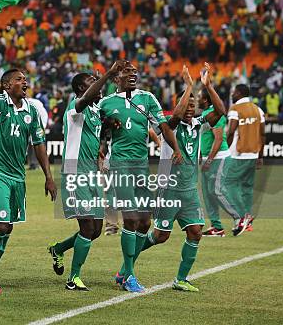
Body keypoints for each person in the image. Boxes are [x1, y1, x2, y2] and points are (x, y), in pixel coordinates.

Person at [0, 44, 57, 295]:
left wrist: (49, 177)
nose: (25, 82)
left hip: (18, 177)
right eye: (19, 79)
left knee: (7, 228)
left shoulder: (32, 110)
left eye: (26, 79)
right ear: (7, 85)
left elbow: (39, 145)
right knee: (0, 225)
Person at [138, 63, 226, 292]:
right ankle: (127, 264)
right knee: (160, 236)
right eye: (187, 104)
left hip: (189, 189)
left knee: (196, 232)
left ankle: (181, 279)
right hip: (169, 188)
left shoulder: (199, 125)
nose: (190, 108)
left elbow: (221, 110)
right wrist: (188, 86)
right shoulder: (170, 124)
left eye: (193, 105)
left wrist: (207, 85)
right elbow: (176, 115)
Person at [99, 60, 182, 293]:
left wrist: (175, 148)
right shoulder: (106, 103)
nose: (133, 74)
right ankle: (130, 276)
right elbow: (95, 129)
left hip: (141, 166)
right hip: (120, 165)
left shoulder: (148, 98)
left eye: (135, 71)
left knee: (145, 222)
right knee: (132, 219)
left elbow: (163, 126)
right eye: (127, 72)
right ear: (117, 78)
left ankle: (125, 271)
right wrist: (102, 141)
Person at [47, 65, 118, 291]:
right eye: (91, 82)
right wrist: (107, 75)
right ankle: (73, 278)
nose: (97, 86)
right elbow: (85, 100)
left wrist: (109, 125)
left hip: (91, 173)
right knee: (87, 227)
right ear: (80, 88)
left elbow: (95, 138)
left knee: (96, 230)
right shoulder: (74, 107)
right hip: (75, 171)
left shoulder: (96, 112)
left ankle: (58, 249)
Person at [225, 84, 266, 236]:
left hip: (238, 153)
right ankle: (247, 222)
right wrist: (261, 155)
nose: (232, 94)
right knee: (247, 187)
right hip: (253, 154)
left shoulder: (235, 109)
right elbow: (262, 135)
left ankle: (243, 216)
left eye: (234, 92)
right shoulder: (258, 110)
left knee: (228, 183)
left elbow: (230, 132)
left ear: (240, 93)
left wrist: (225, 150)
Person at [199, 87, 231, 237]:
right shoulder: (204, 114)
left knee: (216, 191)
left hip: (218, 158)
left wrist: (209, 160)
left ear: (205, 99)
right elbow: (204, 138)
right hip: (207, 157)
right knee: (208, 194)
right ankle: (216, 227)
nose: (197, 99)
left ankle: (241, 216)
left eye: (199, 96)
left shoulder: (215, 114)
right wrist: (200, 155)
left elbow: (218, 139)